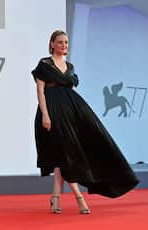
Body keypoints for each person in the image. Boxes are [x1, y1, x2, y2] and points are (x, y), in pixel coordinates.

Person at [31, 30, 140, 214]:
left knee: (65, 156)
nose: (64, 45)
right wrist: (45, 115)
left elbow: (70, 91)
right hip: (52, 113)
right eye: (60, 42)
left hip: (73, 113)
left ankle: (55, 198)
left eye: (66, 42)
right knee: (65, 155)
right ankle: (78, 198)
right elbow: (40, 91)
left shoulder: (70, 66)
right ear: (52, 44)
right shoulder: (44, 64)